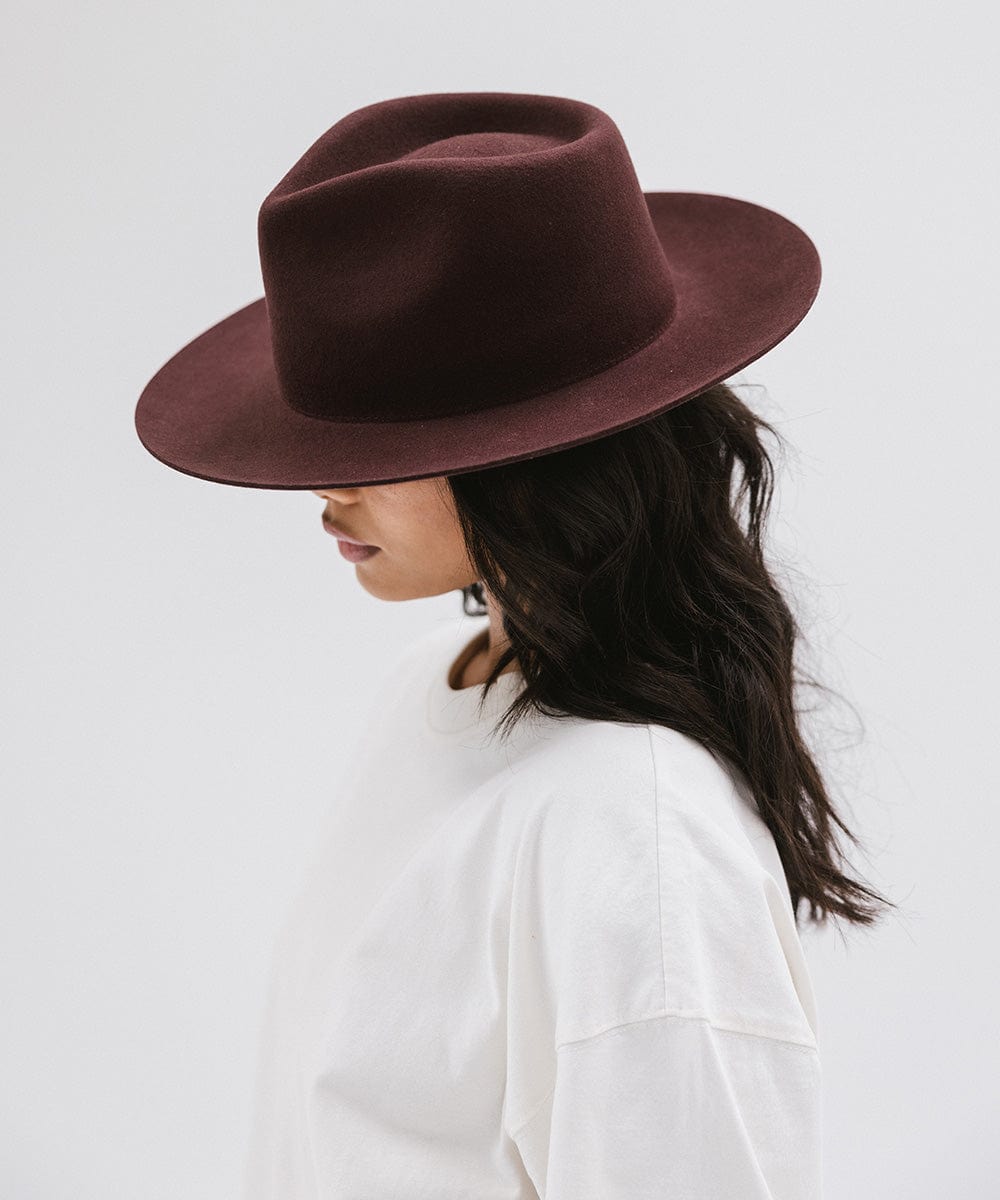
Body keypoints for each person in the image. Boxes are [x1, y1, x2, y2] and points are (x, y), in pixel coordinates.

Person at [134, 90, 894, 1199]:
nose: (326, 487)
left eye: (385, 440)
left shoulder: (637, 835)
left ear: (539, 458)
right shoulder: (435, 696)